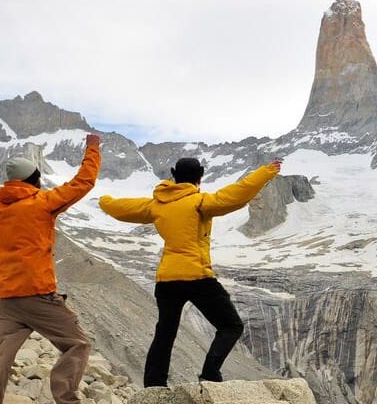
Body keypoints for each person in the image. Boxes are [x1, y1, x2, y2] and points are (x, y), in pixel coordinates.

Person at [99, 156, 281, 387]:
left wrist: (104, 201)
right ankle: (210, 374)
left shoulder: (157, 204)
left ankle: (154, 385)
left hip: (166, 280)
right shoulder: (201, 201)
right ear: (200, 177)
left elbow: (123, 208)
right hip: (198, 277)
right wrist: (266, 171)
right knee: (231, 325)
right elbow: (238, 193)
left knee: (165, 333)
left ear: (174, 174)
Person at [0, 134, 101, 404]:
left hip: (7, 297)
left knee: (4, 356)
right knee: (77, 343)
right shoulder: (43, 203)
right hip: (38, 294)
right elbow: (82, 183)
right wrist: (92, 150)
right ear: (35, 178)